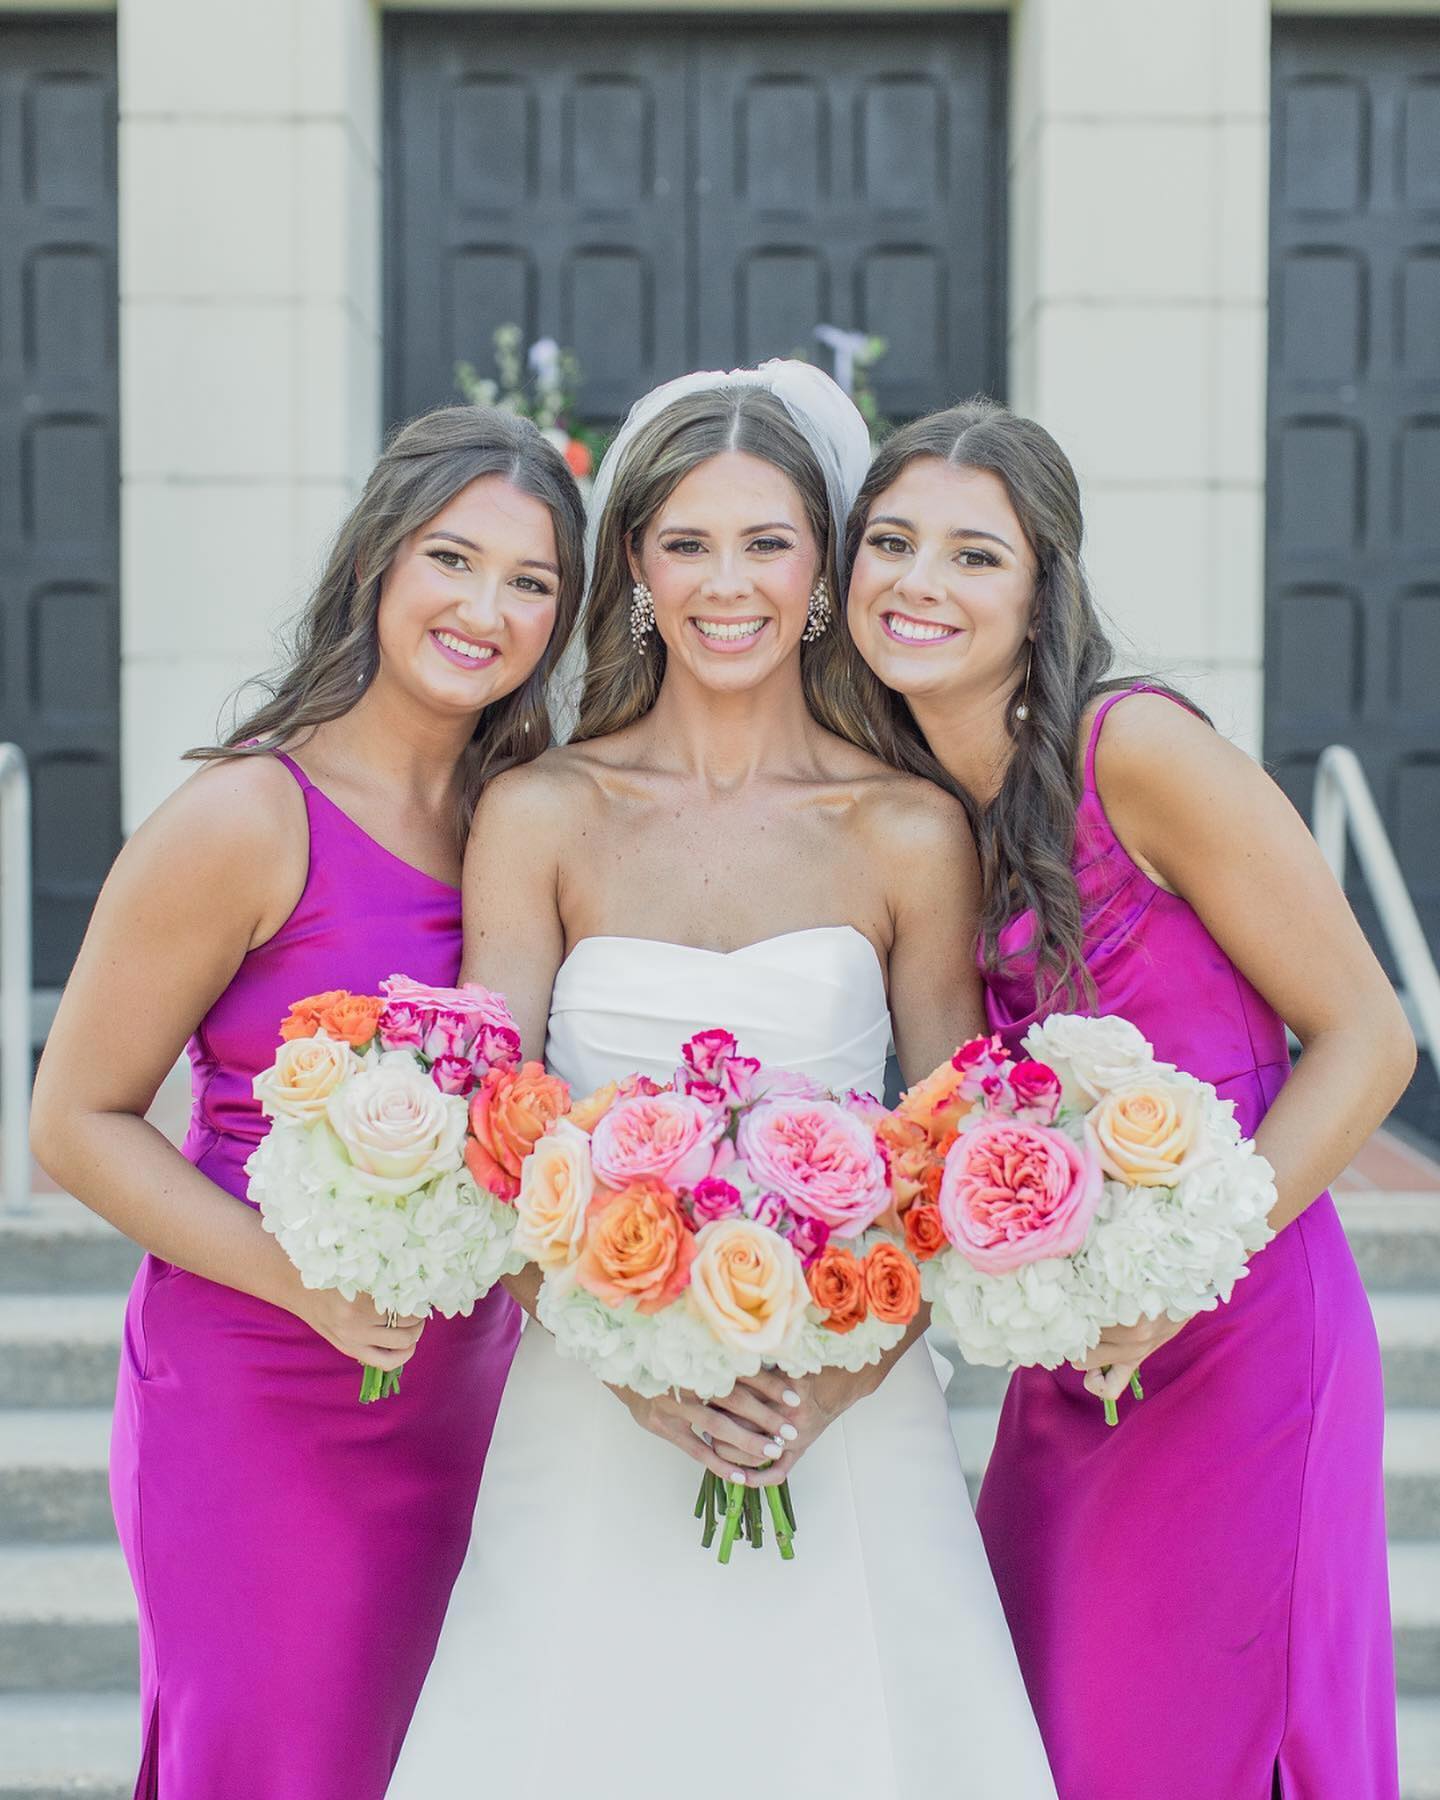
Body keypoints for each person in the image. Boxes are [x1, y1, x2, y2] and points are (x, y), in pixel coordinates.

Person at [389, 365, 1057, 1799]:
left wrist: (834, 1386)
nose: (726, 584)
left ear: (822, 566)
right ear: (631, 564)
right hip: (593, 1405)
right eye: (686, 543)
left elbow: (947, 1157)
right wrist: (634, 1370)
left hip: (844, 1410)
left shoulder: (907, 827)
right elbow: (491, 1138)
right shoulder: (541, 809)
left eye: (767, 541)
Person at [843, 397, 1414, 1799]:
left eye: (976, 556)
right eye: (893, 543)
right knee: (1050, 1733)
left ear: (1044, 590)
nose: (922, 584)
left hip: (1243, 1336)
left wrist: (1185, 1270)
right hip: (1071, 1358)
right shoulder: (910, 807)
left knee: (1199, 1738)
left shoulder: (1133, 751)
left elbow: (1368, 1036)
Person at [29, 407, 587, 1800]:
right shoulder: (246, 819)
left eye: (531, 583)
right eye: (453, 560)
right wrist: (305, 1285)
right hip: (256, 1390)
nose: (485, 609)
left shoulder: (525, 820)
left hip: (462, 1394)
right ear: (377, 565)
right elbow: (74, 1122)